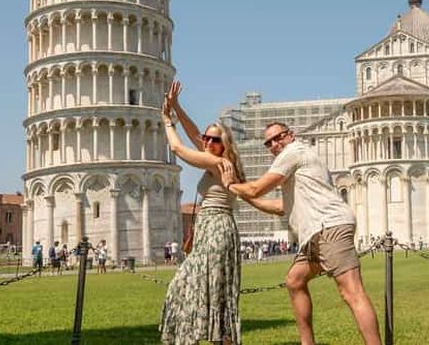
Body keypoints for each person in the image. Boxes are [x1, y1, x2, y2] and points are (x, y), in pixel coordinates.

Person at [221, 122, 381, 345]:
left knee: (352, 292)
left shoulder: (293, 152)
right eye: (269, 143)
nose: (275, 144)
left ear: (291, 135)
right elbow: (279, 207)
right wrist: (245, 194)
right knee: (295, 281)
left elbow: (257, 188)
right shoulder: (297, 165)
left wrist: (231, 185)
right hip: (315, 234)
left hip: (329, 227)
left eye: (279, 137)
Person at [159, 80, 244, 345]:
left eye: (213, 139)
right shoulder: (218, 160)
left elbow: (177, 148)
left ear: (224, 143)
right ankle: (217, 340)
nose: (206, 142)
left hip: (217, 229)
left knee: (185, 285)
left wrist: (167, 121)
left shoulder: (219, 162)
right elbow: (195, 134)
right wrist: (177, 108)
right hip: (213, 229)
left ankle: (193, 339)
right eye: (206, 138)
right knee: (214, 293)